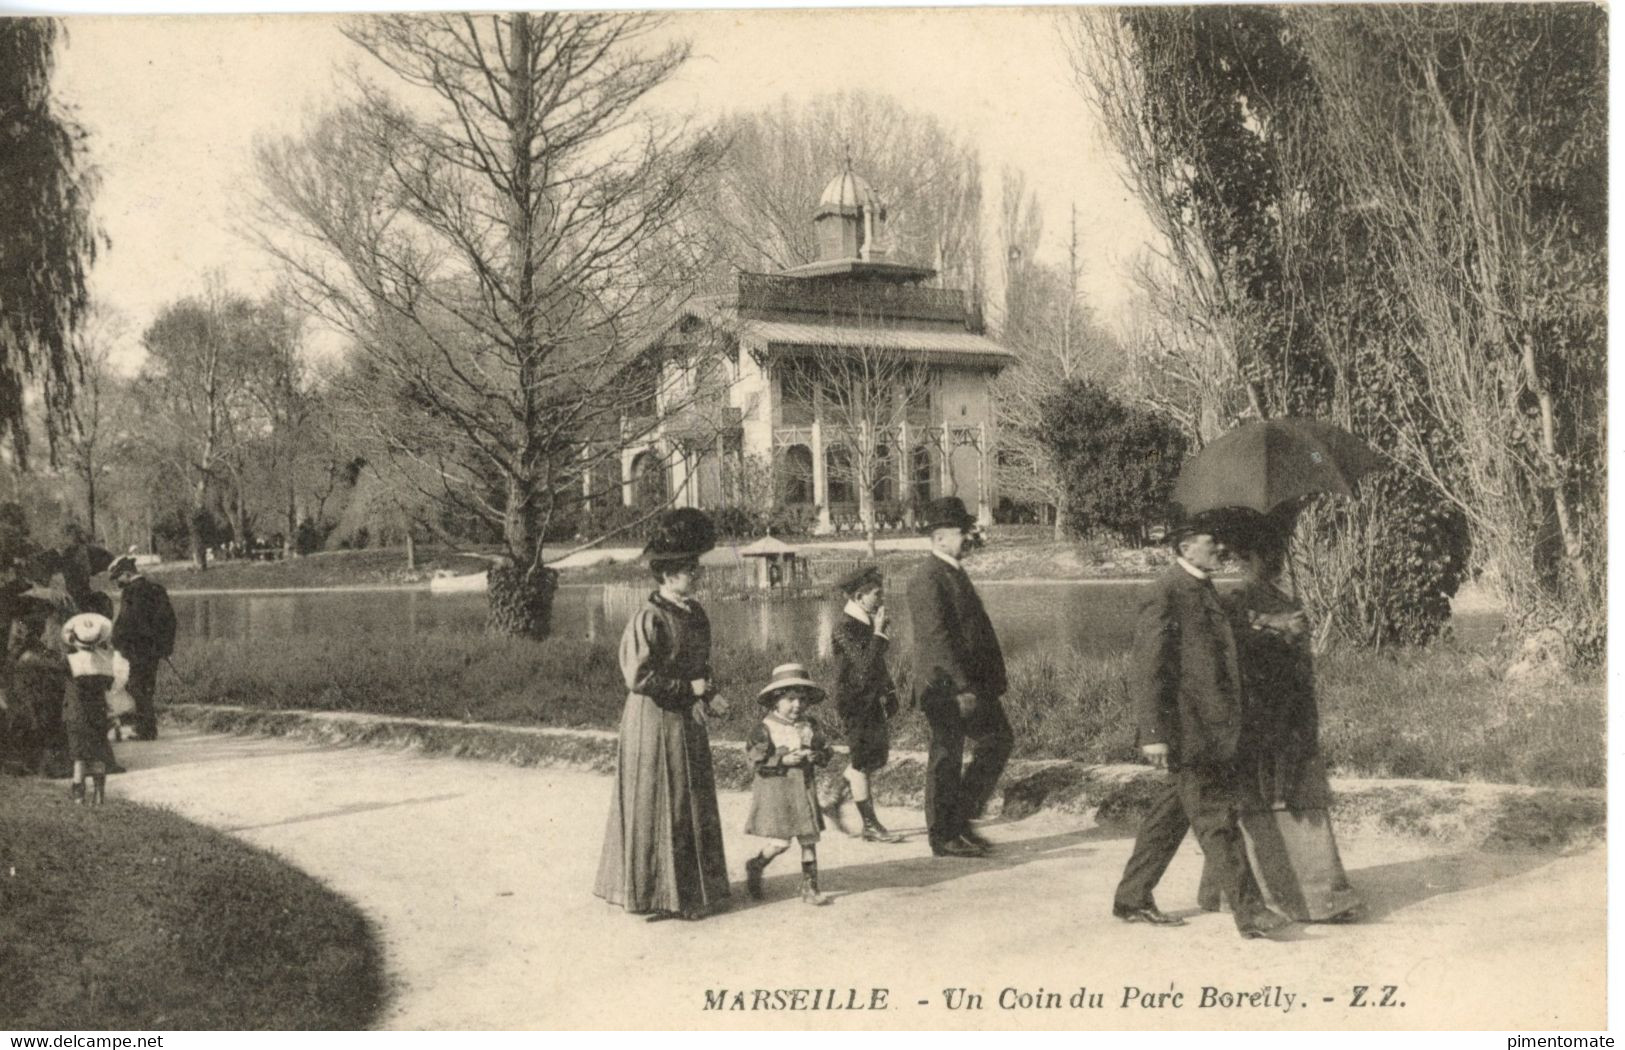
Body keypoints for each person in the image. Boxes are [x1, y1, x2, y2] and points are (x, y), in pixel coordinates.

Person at [1110, 516, 1291, 939]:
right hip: (1190, 733)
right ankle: (1250, 913)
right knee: (1217, 820)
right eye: (1213, 542)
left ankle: (1132, 897)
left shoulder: (1201, 587)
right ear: (1185, 547)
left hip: (1210, 730)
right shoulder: (1165, 594)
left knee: (1169, 817)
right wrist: (1153, 734)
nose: (1221, 548)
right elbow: (1149, 670)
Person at [1198, 524, 1363, 923]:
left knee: (1290, 795)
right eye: (1265, 556)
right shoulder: (1236, 599)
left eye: (1277, 555)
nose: (1272, 563)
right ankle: (1303, 897)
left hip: (1289, 710)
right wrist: (1277, 627)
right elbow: (1231, 643)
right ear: (1247, 559)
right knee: (1269, 797)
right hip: (1262, 711)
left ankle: (1309, 893)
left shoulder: (1279, 595)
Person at [594, 509, 732, 921]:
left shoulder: (696, 613)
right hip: (653, 721)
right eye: (690, 570)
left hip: (687, 719)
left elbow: (700, 666)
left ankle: (692, 892)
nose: (697, 575)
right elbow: (638, 677)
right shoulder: (649, 618)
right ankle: (658, 894)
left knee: (689, 800)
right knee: (662, 799)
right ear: (668, 575)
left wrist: (711, 694)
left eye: (697, 568)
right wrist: (687, 691)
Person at [906, 496, 1010, 859]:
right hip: (945, 687)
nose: (969, 536)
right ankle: (943, 836)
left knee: (998, 740)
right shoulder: (926, 577)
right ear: (939, 537)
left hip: (970, 685)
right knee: (946, 757)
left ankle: (959, 822)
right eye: (962, 531)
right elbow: (936, 639)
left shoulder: (953, 571)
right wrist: (961, 688)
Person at [823, 564, 904, 843]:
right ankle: (870, 825)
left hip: (869, 700)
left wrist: (890, 692)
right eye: (876, 594)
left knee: (871, 758)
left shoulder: (864, 621)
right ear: (859, 596)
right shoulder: (844, 626)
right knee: (861, 762)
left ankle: (833, 799)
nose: (881, 599)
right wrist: (880, 634)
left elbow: (878, 666)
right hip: (853, 702)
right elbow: (865, 664)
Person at [743, 663, 835, 906]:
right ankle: (756, 865)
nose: (798, 705)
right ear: (776, 701)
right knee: (780, 843)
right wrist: (781, 759)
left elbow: (825, 750)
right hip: (780, 791)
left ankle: (810, 887)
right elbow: (755, 760)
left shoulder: (809, 725)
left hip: (803, 789)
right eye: (791, 699)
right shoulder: (765, 728)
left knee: (809, 839)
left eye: (802, 700)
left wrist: (817, 756)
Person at [109, 556, 177, 742]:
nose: (117, 583)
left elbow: (126, 623)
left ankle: (146, 729)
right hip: (153, 649)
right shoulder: (156, 589)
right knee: (146, 687)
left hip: (136, 649)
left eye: (118, 578)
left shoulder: (131, 593)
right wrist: (165, 647)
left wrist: (116, 642)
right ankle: (147, 727)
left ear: (127, 573)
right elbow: (169, 620)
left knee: (136, 687)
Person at [7, 593, 71, 778]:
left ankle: (36, 764)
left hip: (29, 681)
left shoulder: (22, 627)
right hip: (32, 683)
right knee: (42, 720)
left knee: (36, 720)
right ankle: (45, 766)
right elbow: (54, 662)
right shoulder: (27, 631)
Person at [62, 611, 117, 805]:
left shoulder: (69, 662)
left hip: (76, 713)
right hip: (98, 712)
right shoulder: (104, 663)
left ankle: (78, 795)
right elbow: (110, 685)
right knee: (98, 751)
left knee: (79, 756)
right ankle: (99, 795)